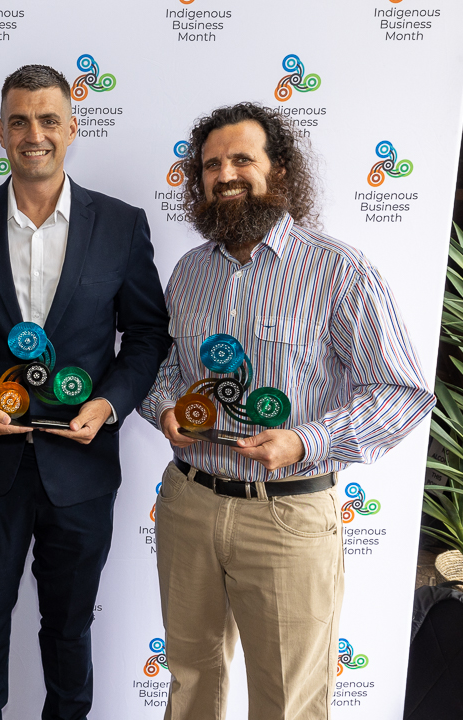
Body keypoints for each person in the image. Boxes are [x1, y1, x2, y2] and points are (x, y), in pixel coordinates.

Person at [138, 102, 435, 719]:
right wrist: (165, 405)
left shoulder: (338, 268)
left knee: (288, 701)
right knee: (190, 683)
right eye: (212, 164)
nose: (226, 174)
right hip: (189, 505)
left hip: (288, 514)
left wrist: (305, 442)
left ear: (279, 170)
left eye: (243, 159)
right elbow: (165, 365)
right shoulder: (190, 274)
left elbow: (400, 391)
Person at [0, 65, 170, 720]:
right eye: (20, 121)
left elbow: (147, 334)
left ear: (72, 128)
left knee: (69, 627)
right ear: (2, 132)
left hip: (82, 465)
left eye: (48, 120)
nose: (34, 134)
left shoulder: (120, 226)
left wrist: (110, 403)